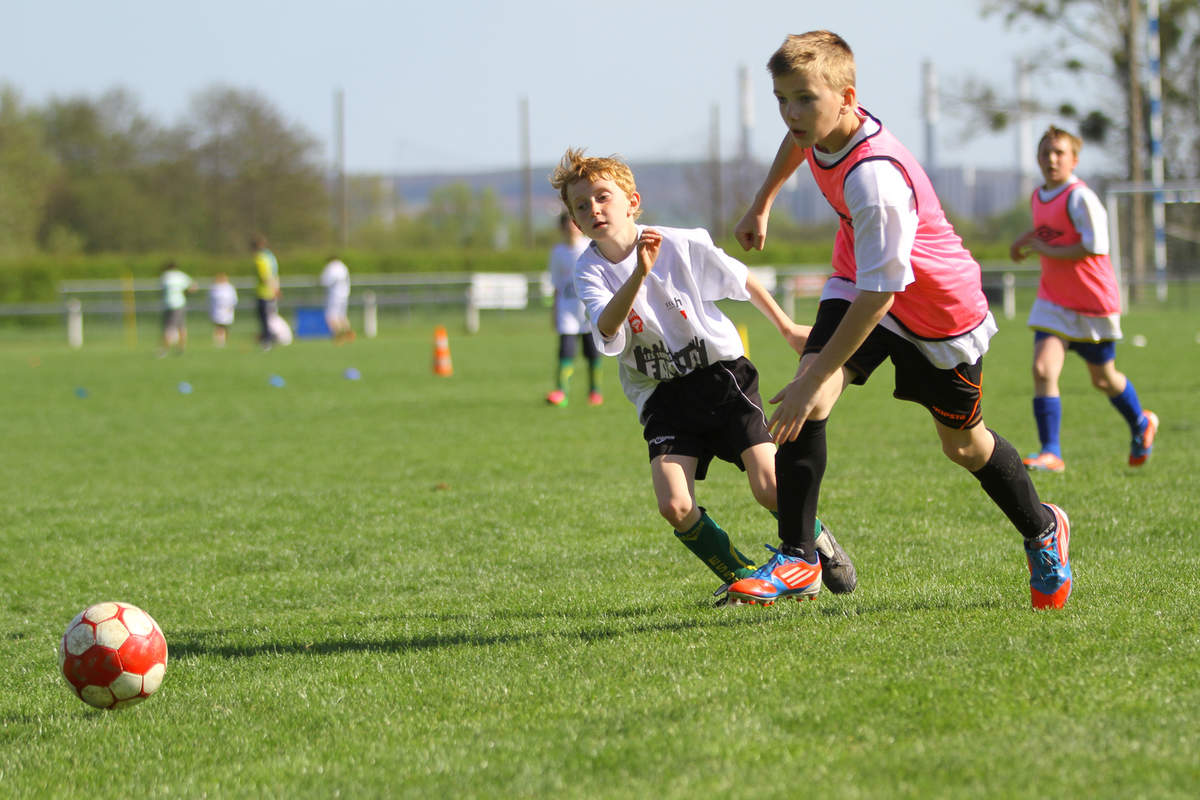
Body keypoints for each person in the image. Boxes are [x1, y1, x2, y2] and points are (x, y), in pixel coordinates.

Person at [727, 31, 1071, 610]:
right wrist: (763, 201)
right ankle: (798, 557)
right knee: (808, 399)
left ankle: (1043, 529)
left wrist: (811, 377)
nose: (792, 113)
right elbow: (798, 144)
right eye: (782, 99)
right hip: (862, 278)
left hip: (936, 309)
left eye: (804, 99)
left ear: (846, 97)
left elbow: (881, 298)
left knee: (963, 446)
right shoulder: (820, 126)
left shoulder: (875, 180)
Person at [549, 147, 856, 602]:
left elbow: (741, 279)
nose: (593, 209)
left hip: (721, 378)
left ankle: (816, 544)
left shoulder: (680, 242)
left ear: (632, 202)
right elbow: (608, 328)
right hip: (662, 397)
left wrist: (788, 327)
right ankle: (743, 579)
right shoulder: (589, 269)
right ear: (574, 220)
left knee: (770, 488)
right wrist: (638, 275)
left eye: (602, 197)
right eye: (581, 205)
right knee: (674, 505)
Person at [1010, 126, 1158, 472]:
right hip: (1054, 301)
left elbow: (1095, 247)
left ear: (1074, 159)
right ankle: (1052, 452)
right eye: (1046, 152)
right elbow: (1050, 232)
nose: (1051, 159)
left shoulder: (1081, 197)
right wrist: (1026, 240)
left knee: (1103, 379)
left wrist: (1045, 248)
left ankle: (1141, 422)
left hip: (1092, 302)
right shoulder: (1038, 196)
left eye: (1059, 153)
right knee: (1043, 368)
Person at [545, 211, 602, 407]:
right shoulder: (558, 252)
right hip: (566, 310)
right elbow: (556, 283)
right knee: (565, 350)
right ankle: (562, 392)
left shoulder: (590, 246)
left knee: (592, 352)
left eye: (573, 224)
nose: (571, 228)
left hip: (587, 309)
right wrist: (554, 310)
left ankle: (595, 391)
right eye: (566, 225)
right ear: (561, 228)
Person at [159, 261, 195, 356]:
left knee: (168, 328)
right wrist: (185, 293)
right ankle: (181, 347)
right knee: (181, 327)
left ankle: (164, 350)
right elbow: (193, 287)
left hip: (168, 304)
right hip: (180, 304)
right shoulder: (181, 276)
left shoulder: (165, 276)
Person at [251, 234, 280, 349]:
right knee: (269, 317)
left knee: (265, 319)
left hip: (265, 293)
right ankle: (268, 339)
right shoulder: (270, 257)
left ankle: (267, 341)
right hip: (270, 292)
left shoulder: (260, 258)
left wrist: (274, 289)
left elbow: (265, 276)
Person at [320, 255, 355, 344]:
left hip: (334, 295)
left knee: (330, 316)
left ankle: (338, 335)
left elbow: (324, 281)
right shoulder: (343, 266)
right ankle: (349, 333)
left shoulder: (331, 267)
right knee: (342, 316)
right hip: (345, 294)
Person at [208, 272, 238, 347]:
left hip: (227, 309)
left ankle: (223, 341)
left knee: (225, 326)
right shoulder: (215, 288)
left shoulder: (229, 287)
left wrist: (230, 306)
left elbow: (233, 299)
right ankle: (219, 341)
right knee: (218, 326)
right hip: (217, 309)